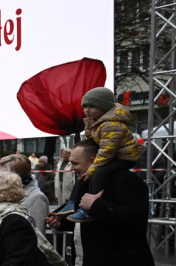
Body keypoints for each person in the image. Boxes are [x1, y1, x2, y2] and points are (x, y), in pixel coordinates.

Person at [61, 88, 143, 223]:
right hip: (110, 154)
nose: (87, 110)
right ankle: (72, 203)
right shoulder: (93, 121)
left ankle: (88, 208)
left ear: (104, 106)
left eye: (92, 106)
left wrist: (93, 168)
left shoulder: (111, 124)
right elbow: (93, 143)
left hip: (124, 157)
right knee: (83, 176)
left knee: (99, 173)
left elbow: (107, 150)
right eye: (85, 106)